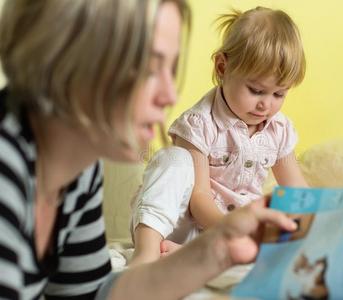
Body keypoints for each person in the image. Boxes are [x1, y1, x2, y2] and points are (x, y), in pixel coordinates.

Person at [0, 0, 298, 299]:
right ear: (68, 61)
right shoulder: (8, 167)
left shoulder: (78, 169)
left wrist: (218, 249)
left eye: (171, 68)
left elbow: (87, 295)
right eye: (149, 70)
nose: (170, 95)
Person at [131, 6, 309, 265]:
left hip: (233, 236)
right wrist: (231, 228)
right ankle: (146, 252)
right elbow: (198, 197)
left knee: (280, 227)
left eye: (279, 94)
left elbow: (299, 192)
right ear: (222, 67)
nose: (266, 105)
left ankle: (197, 255)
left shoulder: (277, 129)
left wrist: (319, 221)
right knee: (173, 159)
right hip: (179, 224)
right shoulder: (199, 123)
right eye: (256, 90)